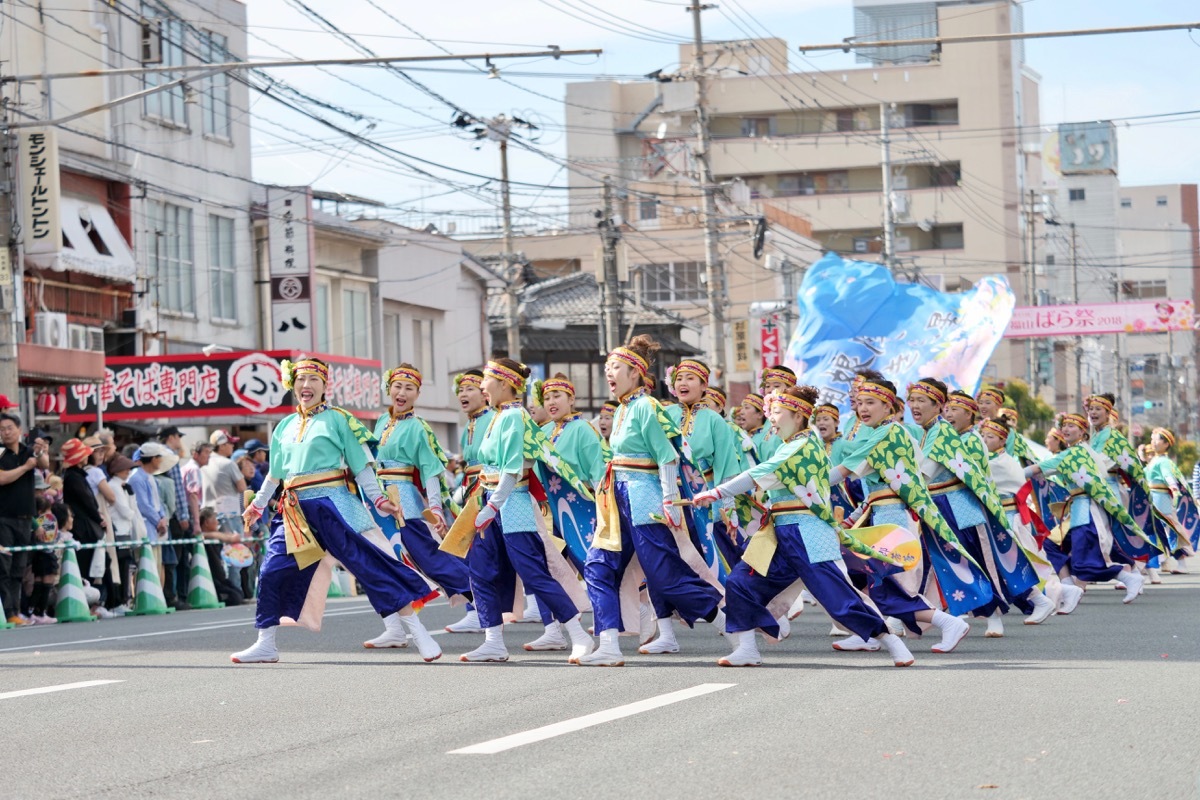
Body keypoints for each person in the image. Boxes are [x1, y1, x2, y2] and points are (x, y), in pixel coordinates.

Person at [234, 357, 441, 664]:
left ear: (324, 385)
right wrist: (258, 504)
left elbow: (361, 467)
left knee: (371, 565)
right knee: (272, 570)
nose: (306, 386)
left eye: (313, 380)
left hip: (334, 505)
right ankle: (266, 641)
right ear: (293, 384)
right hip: (293, 509)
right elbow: (275, 474)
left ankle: (418, 631)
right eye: (301, 380)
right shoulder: (284, 427)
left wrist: (379, 500)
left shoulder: (339, 420)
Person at [695, 385, 916, 668]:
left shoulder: (801, 446)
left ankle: (891, 640)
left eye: (776, 412)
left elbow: (757, 474)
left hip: (809, 534)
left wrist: (716, 492)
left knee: (838, 598)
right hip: (782, 533)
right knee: (741, 581)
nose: (770, 418)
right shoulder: (795, 446)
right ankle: (747, 648)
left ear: (798, 415)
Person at [580, 336, 724, 666]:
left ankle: (734, 628)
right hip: (617, 501)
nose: (608, 373)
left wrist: (671, 502)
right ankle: (609, 645)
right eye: (606, 368)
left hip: (645, 499)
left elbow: (667, 456)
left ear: (636, 373)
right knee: (598, 568)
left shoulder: (647, 406)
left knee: (667, 577)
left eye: (615, 367)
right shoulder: (622, 409)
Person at [456, 359, 594, 664]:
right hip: (490, 500)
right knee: (480, 570)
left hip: (513, 502)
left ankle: (579, 635)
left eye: (487, 380)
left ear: (505, 384)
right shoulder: (498, 415)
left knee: (534, 572)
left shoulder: (515, 416)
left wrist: (492, 506)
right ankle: (493, 640)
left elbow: (513, 468)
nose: (481, 386)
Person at [828, 378, 972, 653]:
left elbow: (842, 471)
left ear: (888, 406)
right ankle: (870, 632)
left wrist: (804, 487)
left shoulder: (885, 435)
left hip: (892, 518)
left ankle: (946, 622)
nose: (863, 409)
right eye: (859, 403)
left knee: (887, 585)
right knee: (866, 579)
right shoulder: (893, 432)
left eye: (871, 403)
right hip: (884, 514)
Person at [367, 363, 474, 648]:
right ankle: (393, 627)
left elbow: (429, 470)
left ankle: (480, 593)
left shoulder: (417, 427)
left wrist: (436, 508)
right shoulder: (381, 421)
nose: (402, 392)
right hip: (379, 498)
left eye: (409, 388)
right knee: (382, 558)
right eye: (398, 386)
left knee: (428, 557)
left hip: (404, 501)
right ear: (389, 389)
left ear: (417, 394)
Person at [1025, 413, 1146, 604]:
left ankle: (1128, 577)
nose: (1066, 429)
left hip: (1086, 513)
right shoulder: (1081, 452)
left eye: (1072, 426)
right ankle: (1070, 590)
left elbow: (1036, 469)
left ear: (1083, 431)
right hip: (1079, 511)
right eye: (1064, 426)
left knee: (1083, 565)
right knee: (1051, 545)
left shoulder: (1073, 454)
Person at [979, 417, 1083, 615]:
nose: (984, 440)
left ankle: (1059, 592)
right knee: (1016, 565)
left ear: (1003, 441)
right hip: (1007, 517)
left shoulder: (1000, 463)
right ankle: (1056, 593)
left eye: (990, 436)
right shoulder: (996, 459)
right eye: (982, 436)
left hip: (1009, 519)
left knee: (1015, 565)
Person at [666, 358, 745, 581]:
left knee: (709, 554)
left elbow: (726, 465)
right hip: (670, 494)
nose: (683, 382)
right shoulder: (665, 415)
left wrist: (729, 509)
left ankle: (723, 605)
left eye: (690, 378)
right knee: (672, 556)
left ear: (703, 386)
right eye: (679, 378)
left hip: (704, 497)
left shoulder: (714, 420)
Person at [61, 438, 116, 613]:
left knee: (98, 563)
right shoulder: (74, 478)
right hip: (84, 528)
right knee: (91, 565)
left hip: (85, 526)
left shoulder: (76, 476)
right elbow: (87, 502)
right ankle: (94, 604)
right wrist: (99, 518)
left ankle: (99, 603)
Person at [0, 413, 39, 625]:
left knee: (18, 568)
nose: (6, 432)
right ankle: (7, 612)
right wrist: (25, 467)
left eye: (9, 428)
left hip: (25, 518)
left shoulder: (28, 451)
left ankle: (15, 611)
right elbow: (2, 478)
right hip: (3, 518)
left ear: (18, 429)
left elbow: (43, 462)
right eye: (2, 429)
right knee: (3, 568)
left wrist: (41, 449)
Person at [1144, 427, 1194, 577]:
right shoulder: (1154, 460)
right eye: (1152, 439)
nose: (1153, 441)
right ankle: (1158, 563)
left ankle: (1180, 563)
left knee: (1169, 529)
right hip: (1153, 497)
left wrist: (1173, 487)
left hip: (1161, 498)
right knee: (1157, 531)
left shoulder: (1164, 462)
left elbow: (1168, 476)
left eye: (1157, 439)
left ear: (1166, 444)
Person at [105, 454, 140, 610]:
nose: (128, 471)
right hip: (118, 530)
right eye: (125, 468)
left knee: (125, 566)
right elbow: (126, 512)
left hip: (124, 530)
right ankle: (117, 601)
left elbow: (131, 509)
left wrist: (131, 496)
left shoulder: (123, 487)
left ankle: (124, 600)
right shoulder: (113, 486)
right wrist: (133, 510)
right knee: (118, 567)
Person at [197, 507, 245, 607]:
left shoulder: (216, 536)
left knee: (239, 594)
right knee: (234, 597)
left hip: (221, 578)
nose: (217, 522)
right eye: (214, 519)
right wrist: (228, 537)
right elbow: (204, 535)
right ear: (206, 522)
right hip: (210, 578)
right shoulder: (203, 536)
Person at [203, 430, 246, 535]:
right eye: (230, 443)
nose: (233, 446)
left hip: (208, 515)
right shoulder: (228, 464)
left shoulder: (203, 463)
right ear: (221, 446)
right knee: (235, 549)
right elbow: (242, 488)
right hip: (229, 514)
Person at [28, 498, 63, 624]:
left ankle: (31, 612)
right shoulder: (42, 524)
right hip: (47, 554)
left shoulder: (33, 526)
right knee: (47, 582)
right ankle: (41, 613)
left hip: (37, 554)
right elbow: (54, 536)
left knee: (38, 583)